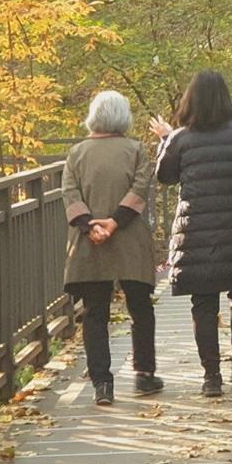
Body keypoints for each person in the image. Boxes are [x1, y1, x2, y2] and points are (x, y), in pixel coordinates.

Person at [151, 70, 232, 397]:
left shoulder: (181, 139)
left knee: (204, 303)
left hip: (196, 233)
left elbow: (165, 176)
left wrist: (165, 139)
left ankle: (211, 376)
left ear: (191, 100)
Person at [63, 90, 163, 407]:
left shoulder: (76, 153)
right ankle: (145, 374)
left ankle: (102, 383)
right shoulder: (135, 149)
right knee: (140, 307)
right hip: (130, 238)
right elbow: (141, 187)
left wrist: (90, 225)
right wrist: (115, 222)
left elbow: (69, 191)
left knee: (95, 312)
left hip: (89, 242)